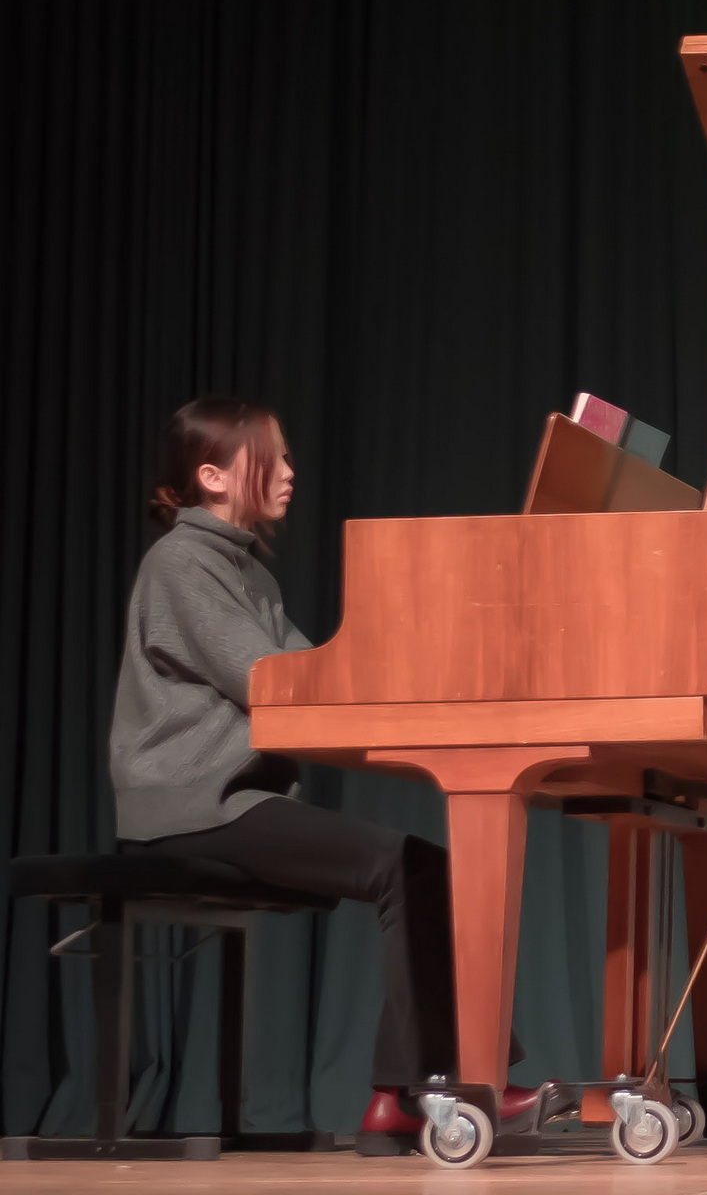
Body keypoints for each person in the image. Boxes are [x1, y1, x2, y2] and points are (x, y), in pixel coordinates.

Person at [109, 397, 536, 1144]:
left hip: (235, 799)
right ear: (213, 476)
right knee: (410, 867)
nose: (289, 471)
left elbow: (317, 675)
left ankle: (402, 1094)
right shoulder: (180, 564)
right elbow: (268, 679)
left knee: (425, 866)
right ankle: (425, 1087)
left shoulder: (247, 572)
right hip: (192, 802)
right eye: (270, 458)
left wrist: (421, 677)